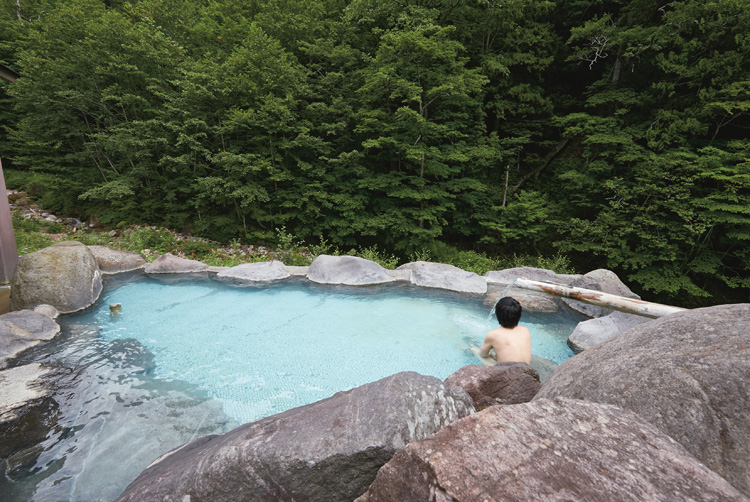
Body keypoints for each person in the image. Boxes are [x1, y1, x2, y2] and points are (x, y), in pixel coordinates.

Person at [471, 296, 531, 365]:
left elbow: (483, 355)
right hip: (527, 370)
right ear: (519, 315)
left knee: (474, 349)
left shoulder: (494, 335)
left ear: (498, 315)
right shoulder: (525, 330)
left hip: (508, 373)